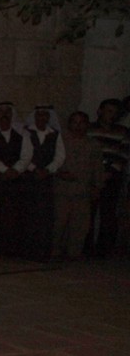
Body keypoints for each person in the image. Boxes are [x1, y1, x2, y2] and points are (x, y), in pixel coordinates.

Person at [53, 111, 102, 260]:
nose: (78, 126)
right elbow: (52, 161)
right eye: (74, 122)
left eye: (81, 122)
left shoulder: (93, 144)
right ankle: (55, 251)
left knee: (80, 225)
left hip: (83, 191)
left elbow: (98, 167)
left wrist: (97, 186)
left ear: (87, 124)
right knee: (59, 223)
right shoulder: (60, 141)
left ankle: (74, 253)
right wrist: (59, 173)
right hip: (62, 189)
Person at [21, 104, 66, 260]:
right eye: (39, 115)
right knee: (29, 214)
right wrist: (35, 169)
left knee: (45, 215)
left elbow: (60, 156)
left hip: (46, 179)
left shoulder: (55, 134)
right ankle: (28, 251)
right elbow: (25, 154)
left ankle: (43, 251)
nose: (42, 118)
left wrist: (47, 170)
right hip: (30, 178)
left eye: (45, 115)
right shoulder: (27, 132)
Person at [0, 101, 30, 257]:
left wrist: (15, 170)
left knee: (15, 215)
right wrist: (4, 170)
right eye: (1, 112)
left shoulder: (22, 135)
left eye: (7, 112)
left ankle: (13, 250)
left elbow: (26, 156)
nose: (4, 115)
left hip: (16, 180)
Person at [85, 98, 128, 257]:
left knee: (108, 213)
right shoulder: (89, 129)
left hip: (112, 176)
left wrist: (110, 171)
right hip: (91, 176)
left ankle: (105, 249)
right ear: (100, 111)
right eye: (109, 111)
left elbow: (123, 154)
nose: (111, 115)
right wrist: (95, 172)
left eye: (114, 112)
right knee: (88, 212)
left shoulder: (122, 131)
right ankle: (86, 247)